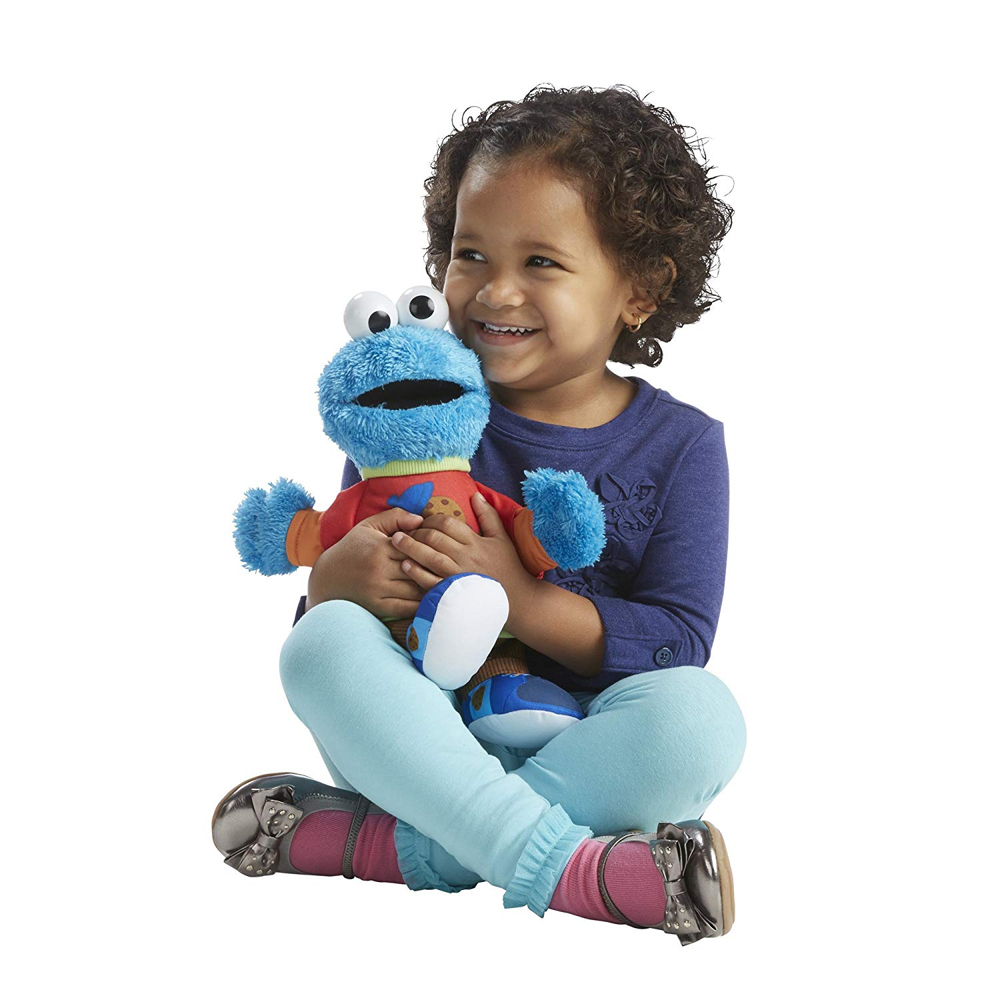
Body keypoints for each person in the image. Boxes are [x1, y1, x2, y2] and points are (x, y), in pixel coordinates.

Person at [212, 84, 747, 944]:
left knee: (702, 718)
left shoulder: (683, 445)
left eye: (542, 262)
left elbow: (678, 638)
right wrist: (336, 582)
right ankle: (577, 873)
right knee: (320, 644)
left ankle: (387, 848)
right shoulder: (416, 406)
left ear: (641, 289)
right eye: (470, 254)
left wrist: (523, 602)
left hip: (588, 753)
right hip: (418, 741)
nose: (495, 292)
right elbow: (354, 604)